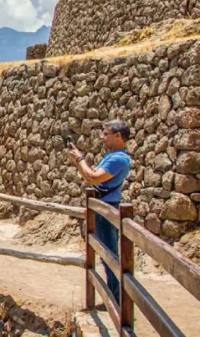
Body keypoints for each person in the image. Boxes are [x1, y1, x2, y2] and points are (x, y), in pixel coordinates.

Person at [66, 120, 131, 305]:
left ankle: (117, 298)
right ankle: (114, 296)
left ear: (118, 136)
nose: (103, 138)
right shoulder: (112, 157)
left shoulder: (118, 159)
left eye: (106, 134)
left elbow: (92, 178)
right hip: (104, 207)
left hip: (107, 208)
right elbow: (91, 178)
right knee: (106, 253)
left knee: (109, 254)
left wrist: (78, 159)